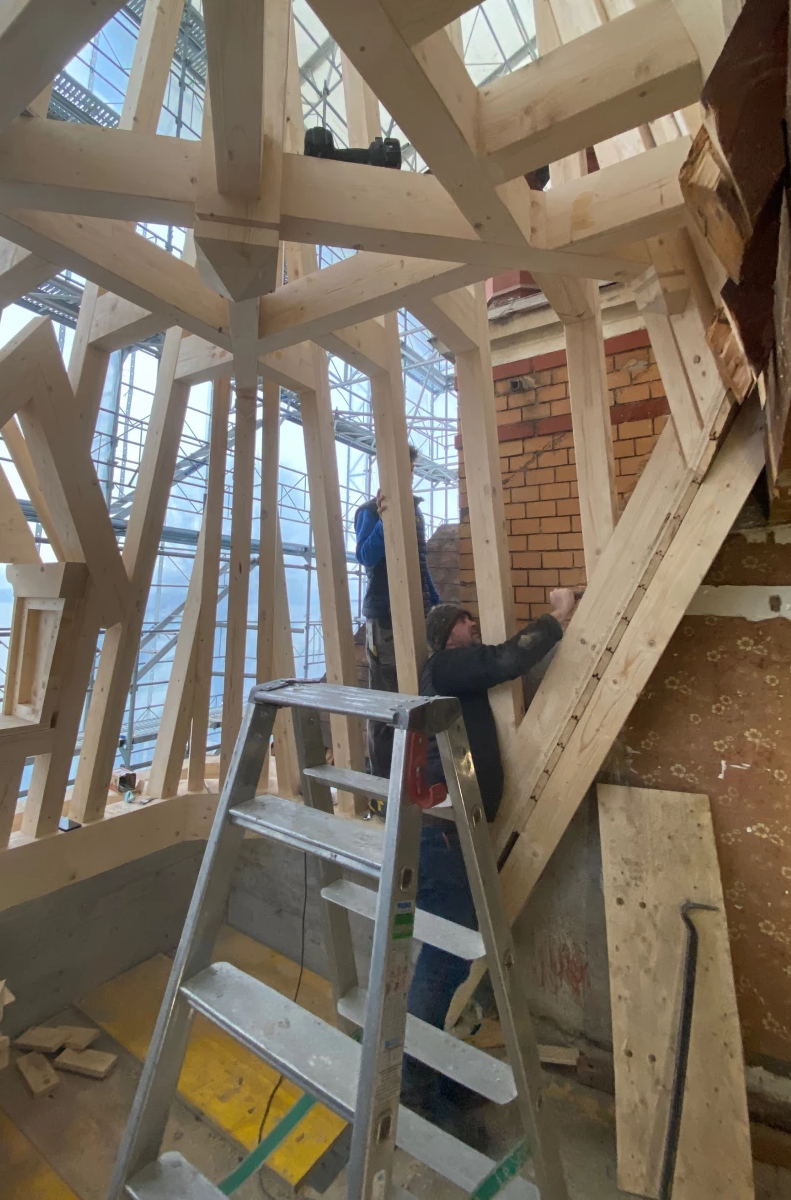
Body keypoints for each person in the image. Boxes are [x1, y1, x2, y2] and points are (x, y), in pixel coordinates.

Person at [402, 587, 577, 1139]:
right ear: (446, 633)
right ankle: (413, 1087)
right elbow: (505, 659)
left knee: (452, 956)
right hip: (443, 838)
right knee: (442, 959)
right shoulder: (446, 667)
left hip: (454, 834)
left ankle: (430, 1072)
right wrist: (558, 614)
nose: (473, 624)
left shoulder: (451, 676)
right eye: (465, 621)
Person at [354, 445, 440, 775]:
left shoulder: (415, 511)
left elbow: (421, 562)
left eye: (410, 470)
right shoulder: (369, 512)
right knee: (386, 698)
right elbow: (366, 556)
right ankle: (383, 781)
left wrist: (434, 600)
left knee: (415, 689)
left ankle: (411, 776)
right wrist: (386, 519)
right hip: (386, 615)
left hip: (416, 611)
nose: (406, 477)